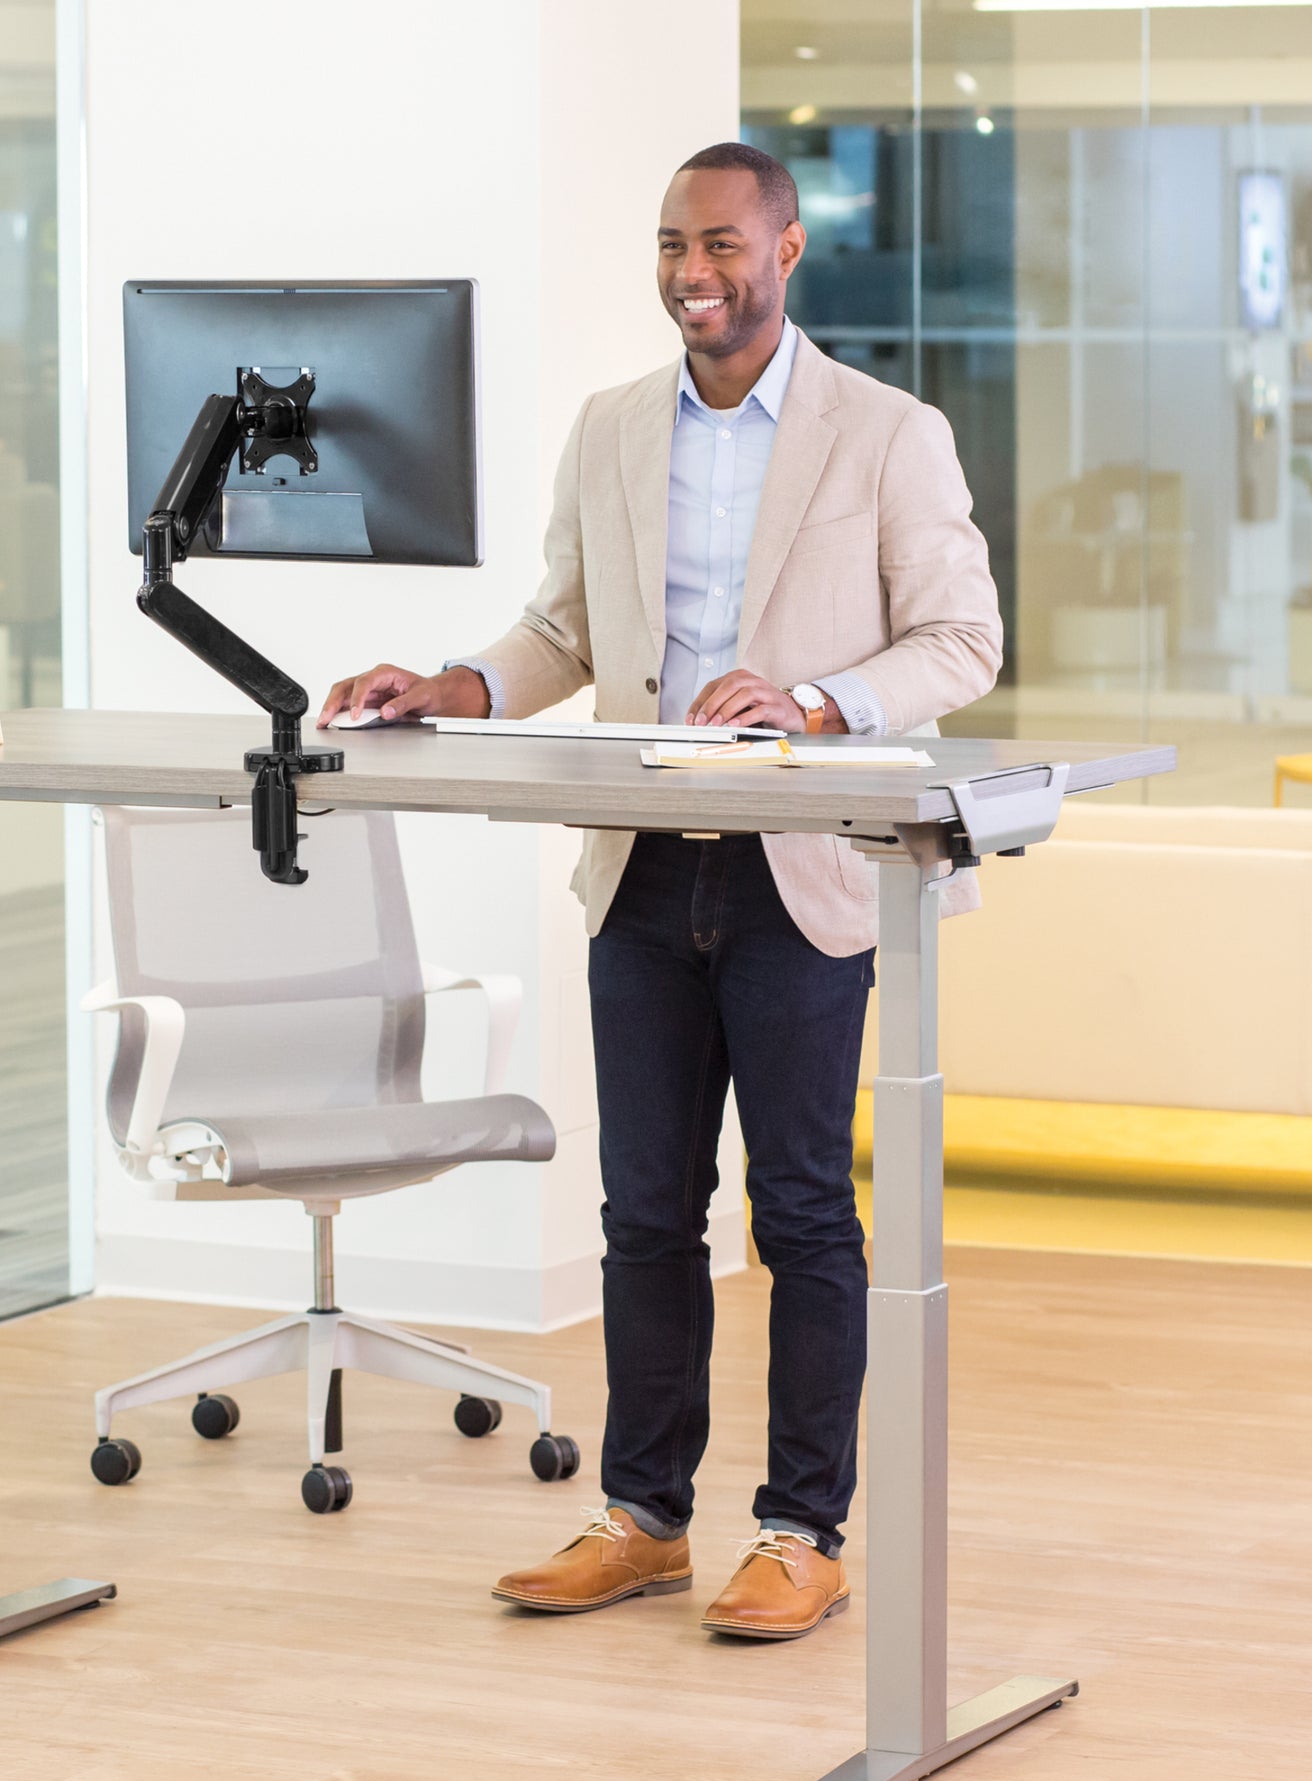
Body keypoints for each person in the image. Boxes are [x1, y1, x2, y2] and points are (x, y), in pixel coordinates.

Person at [319, 142, 1001, 1640]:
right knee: (643, 1210)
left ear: (788, 248)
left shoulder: (888, 434)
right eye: (673, 244)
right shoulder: (613, 427)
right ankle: (643, 1517)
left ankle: (803, 1531)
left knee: (804, 1209)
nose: (696, 272)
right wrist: (447, 684)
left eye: (723, 244)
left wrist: (814, 704)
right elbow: (562, 627)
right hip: (638, 866)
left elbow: (960, 642)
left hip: (804, 875)